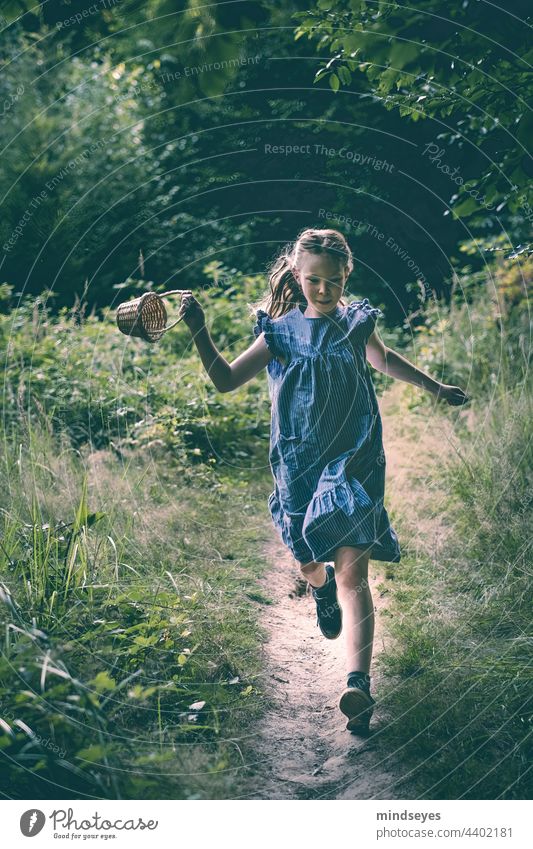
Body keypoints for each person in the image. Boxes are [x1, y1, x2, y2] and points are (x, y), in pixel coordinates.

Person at [178, 227, 469, 733]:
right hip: (298, 465)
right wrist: (199, 331)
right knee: (310, 560)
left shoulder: (357, 324)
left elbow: (385, 359)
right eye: (314, 281)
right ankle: (318, 589)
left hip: (353, 461)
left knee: (355, 574)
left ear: (346, 276)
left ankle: (359, 684)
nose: (324, 291)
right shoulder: (279, 333)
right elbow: (225, 380)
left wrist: (435, 386)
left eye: (334, 281)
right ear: (298, 275)